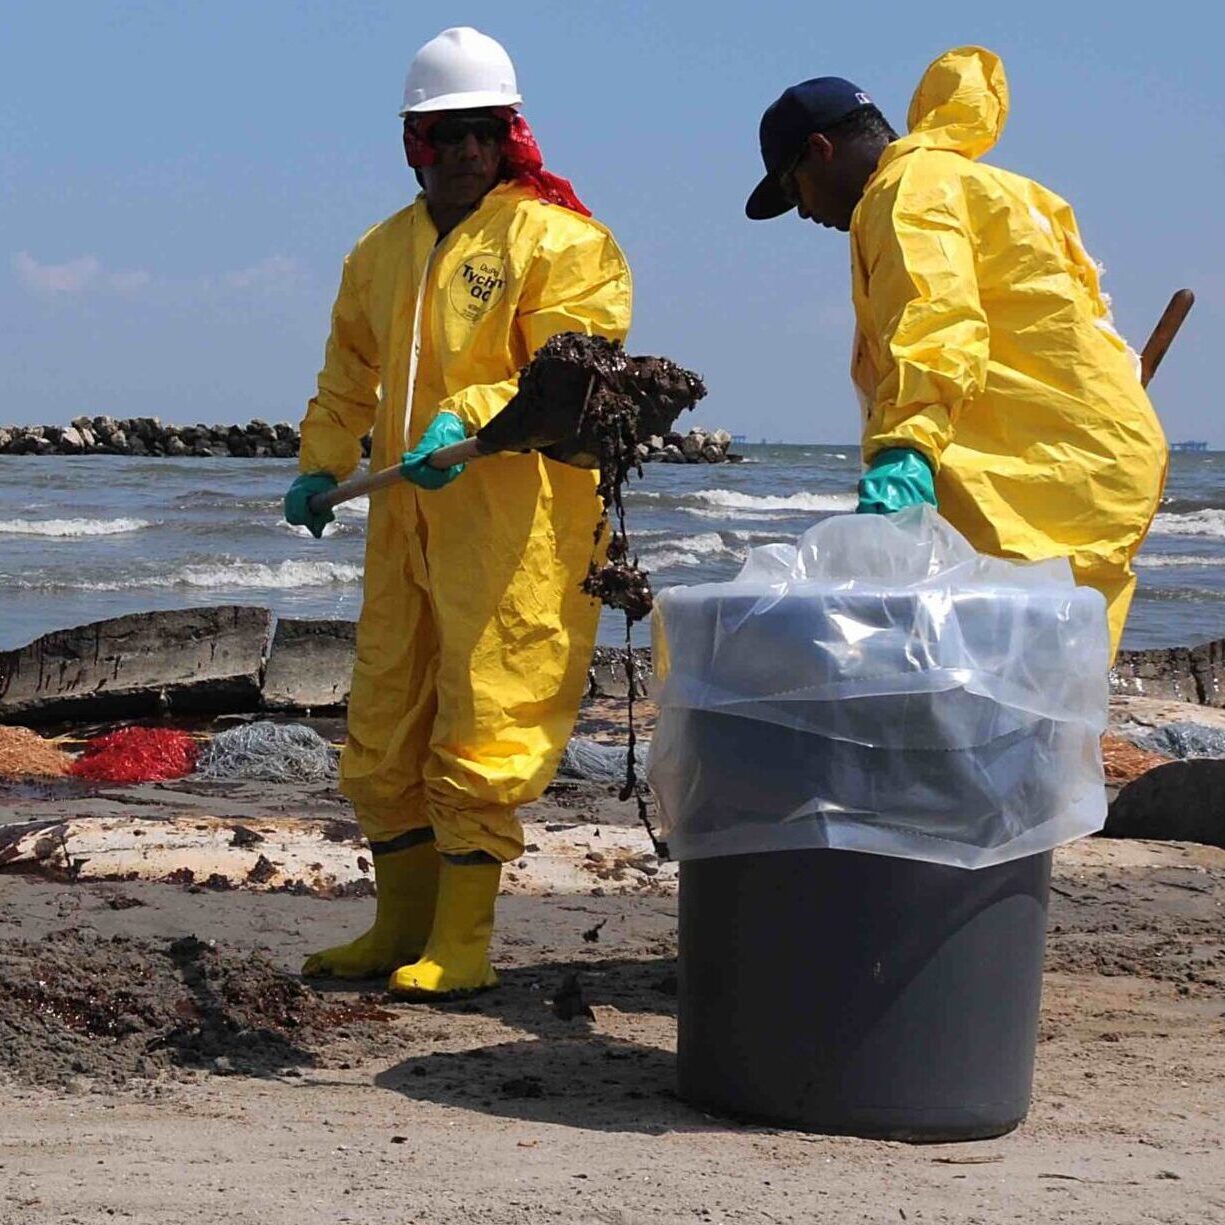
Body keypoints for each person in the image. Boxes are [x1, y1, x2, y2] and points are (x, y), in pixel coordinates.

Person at [283, 27, 632, 996]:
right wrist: (320, 466)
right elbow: (348, 376)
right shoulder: (380, 253)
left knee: (488, 717)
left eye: (482, 131)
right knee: (385, 719)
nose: (465, 151)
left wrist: (467, 415)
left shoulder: (560, 242)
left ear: (507, 133)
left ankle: (464, 941)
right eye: (444, 135)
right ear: (413, 145)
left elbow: (571, 369)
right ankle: (397, 926)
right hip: (404, 517)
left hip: (510, 523)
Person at [746, 46, 1167, 658]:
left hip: (1033, 478)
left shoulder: (906, 191)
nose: (805, 211)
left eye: (795, 188)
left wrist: (906, 451)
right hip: (1089, 468)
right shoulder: (995, 187)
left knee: (999, 689)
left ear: (820, 150)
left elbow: (937, 321)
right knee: (1052, 684)